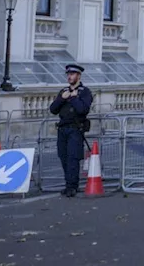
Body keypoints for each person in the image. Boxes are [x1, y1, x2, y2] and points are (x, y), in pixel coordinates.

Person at [48, 64, 93, 197]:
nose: (69, 76)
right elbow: (53, 109)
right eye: (68, 74)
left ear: (78, 76)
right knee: (63, 157)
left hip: (75, 129)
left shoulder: (84, 92)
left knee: (73, 158)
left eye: (72, 74)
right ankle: (68, 184)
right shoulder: (63, 91)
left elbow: (83, 110)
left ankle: (72, 186)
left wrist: (73, 98)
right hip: (62, 129)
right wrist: (63, 98)